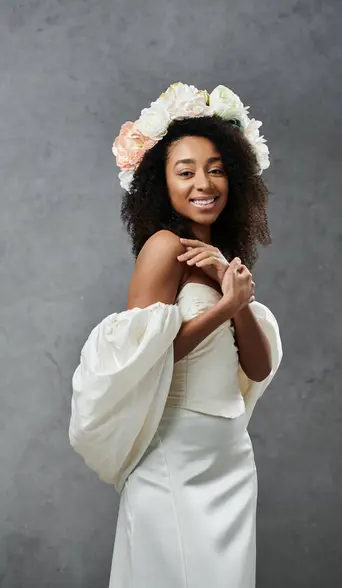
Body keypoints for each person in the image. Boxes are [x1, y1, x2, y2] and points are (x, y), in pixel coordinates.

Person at [69, 83, 283, 588]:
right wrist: (225, 305)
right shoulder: (164, 247)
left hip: (230, 453)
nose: (203, 183)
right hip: (176, 453)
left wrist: (237, 299)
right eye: (185, 171)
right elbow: (142, 357)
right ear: (159, 184)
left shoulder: (223, 257)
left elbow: (257, 367)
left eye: (216, 169)